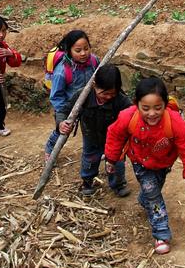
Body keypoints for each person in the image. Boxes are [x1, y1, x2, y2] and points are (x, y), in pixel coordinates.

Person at [104, 77, 185, 255]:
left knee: (152, 191)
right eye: (146, 108)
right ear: (137, 104)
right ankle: (161, 233)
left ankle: (144, 200)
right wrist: (111, 159)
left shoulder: (175, 122)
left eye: (158, 108)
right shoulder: (128, 116)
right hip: (139, 162)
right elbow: (115, 135)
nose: (152, 113)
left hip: (163, 164)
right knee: (153, 195)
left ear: (165, 104)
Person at [57, 64, 132, 197]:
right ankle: (87, 182)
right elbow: (64, 110)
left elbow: (133, 115)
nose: (108, 97)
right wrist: (61, 122)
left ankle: (118, 184)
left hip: (115, 141)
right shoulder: (82, 96)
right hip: (91, 136)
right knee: (89, 160)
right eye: (104, 93)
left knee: (117, 163)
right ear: (94, 84)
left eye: (112, 93)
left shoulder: (121, 100)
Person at [45, 30, 99, 160]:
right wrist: (62, 117)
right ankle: (50, 149)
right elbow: (56, 96)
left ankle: (95, 152)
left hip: (89, 104)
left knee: (94, 129)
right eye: (78, 50)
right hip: (69, 106)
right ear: (69, 51)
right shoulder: (62, 71)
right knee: (62, 130)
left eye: (86, 48)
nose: (83, 53)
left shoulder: (94, 61)